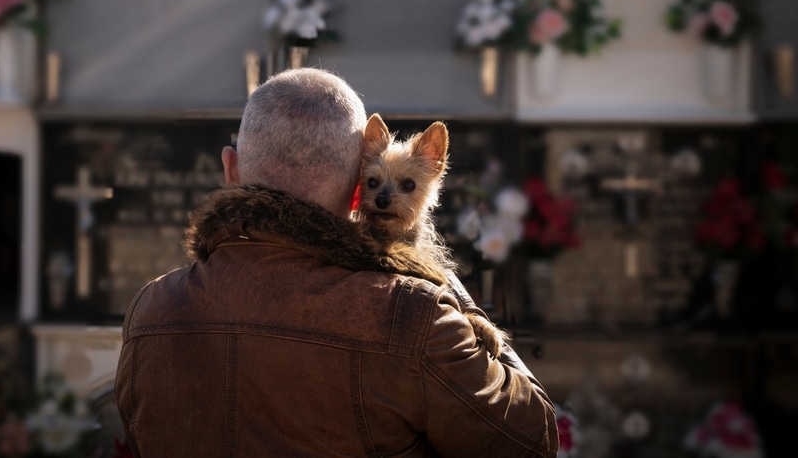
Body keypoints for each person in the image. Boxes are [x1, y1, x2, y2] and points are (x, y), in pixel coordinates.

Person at [115, 68, 559, 457]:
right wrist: (447, 287)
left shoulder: (149, 311)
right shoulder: (414, 316)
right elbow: (533, 440)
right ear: (356, 191)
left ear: (231, 170)